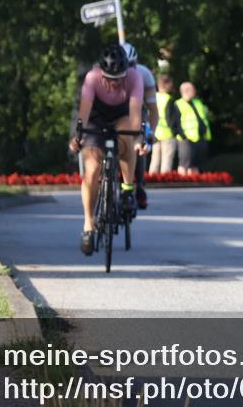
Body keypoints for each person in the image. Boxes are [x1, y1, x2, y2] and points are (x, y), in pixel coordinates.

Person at [68, 45, 144, 255]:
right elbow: (83, 113)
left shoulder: (135, 78)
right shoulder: (92, 78)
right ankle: (88, 224)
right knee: (91, 170)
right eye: (109, 79)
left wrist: (137, 139)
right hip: (96, 118)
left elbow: (135, 112)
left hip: (121, 116)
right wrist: (77, 137)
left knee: (128, 133)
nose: (113, 83)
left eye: (119, 78)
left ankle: (128, 189)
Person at [122, 43, 158, 208]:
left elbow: (152, 109)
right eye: (125, 65)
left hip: (137, 109)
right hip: (116, 111)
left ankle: (140, 187)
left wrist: (150, 131)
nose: (129, 70)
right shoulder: (106, 74)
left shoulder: (144, 74)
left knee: (139, 145)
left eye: (132, 65)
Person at [168, 82, 211, 175]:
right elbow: (174, 123)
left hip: (199, 137)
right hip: (186, 139)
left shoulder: (197, 102)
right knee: (184, 163)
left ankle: (194, 185)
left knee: (195, 164)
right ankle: (182, 184)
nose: (195, 92)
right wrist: (182, 135)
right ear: (186, 91)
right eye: (193, 90)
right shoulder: (178, 104)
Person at [149, 74, 177, 174]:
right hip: (167, 133)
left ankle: (151, 179)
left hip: (155, 132)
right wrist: (175, 131)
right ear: (167, 85)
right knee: (167, 159)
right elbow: (171, 118)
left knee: (155, 159)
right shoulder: (168, 99)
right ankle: (164, 180)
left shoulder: (153, 97)